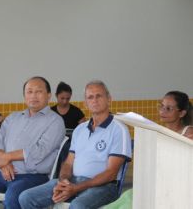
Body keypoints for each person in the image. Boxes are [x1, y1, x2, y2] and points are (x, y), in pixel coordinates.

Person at [19, 80, 132, 209]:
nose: (94, 100)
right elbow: (68, 163)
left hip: (103, 187)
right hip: (74, 182)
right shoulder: (80, 129)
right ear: (85, 103)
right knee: (26, 198)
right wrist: (64, 182)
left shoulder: (119, 129)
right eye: (90, 97)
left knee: (78, 206)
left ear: (109, 99)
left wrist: (76, 188)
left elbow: (111, 173)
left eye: (99, 96)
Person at [0, 76, 66, 209]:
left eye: (38, 91)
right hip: (1, 172)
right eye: (29, 92)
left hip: (32, 176)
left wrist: (8, 157)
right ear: (24, 96)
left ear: (49, 95)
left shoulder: (55, 121)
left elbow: (40, 151)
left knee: (13, 197)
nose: (33, 95)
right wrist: (3, 161)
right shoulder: (13, 117)